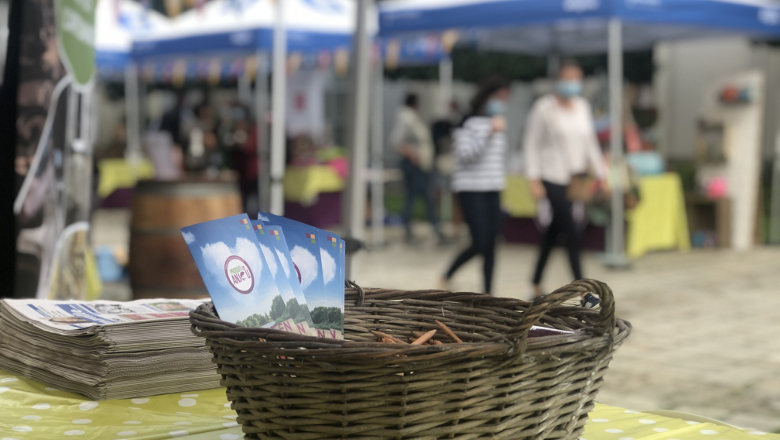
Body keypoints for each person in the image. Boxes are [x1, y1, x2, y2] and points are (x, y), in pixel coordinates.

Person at [523, 60, 607, 307]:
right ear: (558, 80)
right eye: (568, 78)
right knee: (571, 231)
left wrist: (602, 173)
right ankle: (584, 291)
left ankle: (535, 282)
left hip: (575, 177)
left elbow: (590, 142)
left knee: (554, 232)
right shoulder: (544, 108)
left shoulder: (582, 106)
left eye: (576, 79)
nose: (572, 84)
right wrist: (533, 178)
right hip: (551, 176)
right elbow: (531, 144)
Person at [440, 76, 510, 295]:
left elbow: (497, 161)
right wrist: (489, 134)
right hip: (471, 189)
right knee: (480, 241)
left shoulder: (498, 123)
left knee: (491, 244)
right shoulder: (468, 123)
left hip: (493, 188)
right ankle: (448, 274)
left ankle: (488, 291)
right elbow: (465, 155)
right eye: (500, 97)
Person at [390, 93, 443, 242]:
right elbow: (396, 142)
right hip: (413, 165)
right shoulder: (406, 119)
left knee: (416, 197)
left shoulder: (411, 118)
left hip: (418, 165)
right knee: (421, 197)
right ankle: (432, 228)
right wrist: (414, 155)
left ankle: (415, 228)